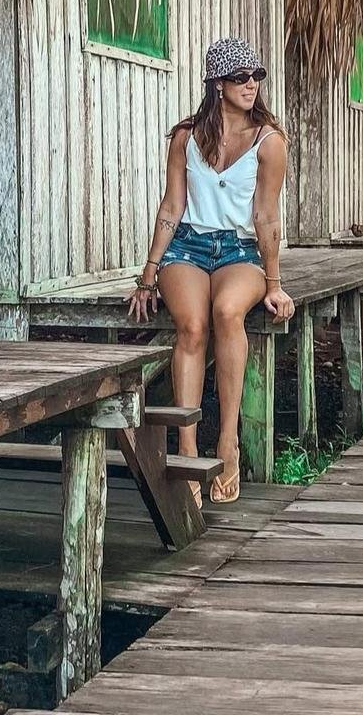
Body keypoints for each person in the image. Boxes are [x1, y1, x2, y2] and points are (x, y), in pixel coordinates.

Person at [127, 37, 294, 504]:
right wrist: (148, 272)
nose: (251, 85)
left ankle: (227, 443)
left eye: (256, 76)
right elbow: (172, 206)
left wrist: (275, 283)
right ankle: (185, 449)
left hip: (240, 250)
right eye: (240, 77)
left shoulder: (269, 142)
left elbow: (266, 216)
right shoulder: (186, 136)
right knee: (192, 326)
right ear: (217, 84)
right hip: (188, 247)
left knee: (226, 313)